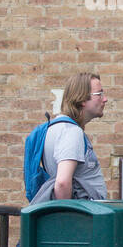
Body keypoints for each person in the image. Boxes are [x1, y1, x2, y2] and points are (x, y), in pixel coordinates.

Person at [39, 72, 110, 201]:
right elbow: (62, 182)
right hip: (79, 216)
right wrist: (67, 218)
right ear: (82, 99)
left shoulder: (55, 127)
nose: (105, 99)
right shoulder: (71, 131)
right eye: (99, 94)